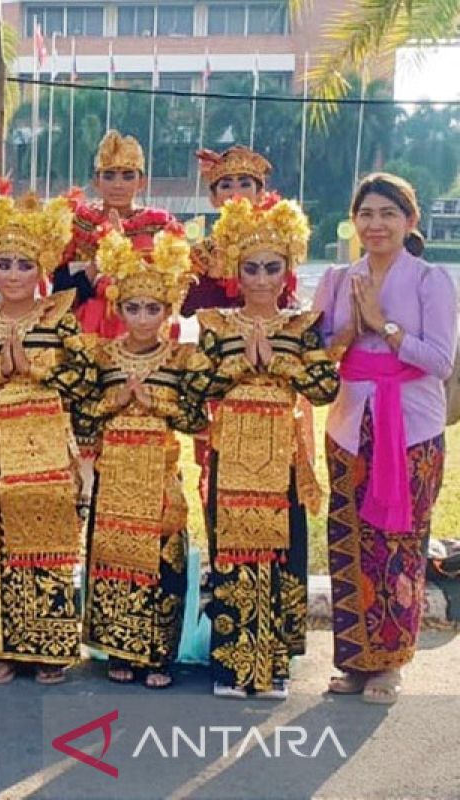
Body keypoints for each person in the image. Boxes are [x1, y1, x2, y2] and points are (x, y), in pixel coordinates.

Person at [183, 197, 339, 699]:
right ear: (236, 270)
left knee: (279, 554)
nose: (262, 278)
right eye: (251, 268)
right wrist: (239, 367)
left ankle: (273, 665)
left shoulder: (301, 326)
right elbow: (195, 387)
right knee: (233, 553)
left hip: (282, 460)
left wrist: (277, 364)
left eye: (273, 267)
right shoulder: (215, 325)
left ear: (288, 269)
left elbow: (324, 386)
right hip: (231, 457)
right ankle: (231, 665)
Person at [315, 173, 457, 705]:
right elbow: (323, 349)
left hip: (411, 431)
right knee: (349, 541)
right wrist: (351, 331)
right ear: (355, 221)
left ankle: (389, 665)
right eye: (367, 214)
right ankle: (353, 660)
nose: (376, 225)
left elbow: (440, 361)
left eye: (388, 214)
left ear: (409, 221)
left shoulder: (430, 281)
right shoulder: (338, 277)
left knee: (397, 545)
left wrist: (386, 326)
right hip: (350, 426)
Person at [0, 186, 91, 685]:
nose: (14, 274)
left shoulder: (60, 314)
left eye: (24, 265)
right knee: (3, 542)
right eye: (6, 263)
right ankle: (4, 646)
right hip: (0, 446)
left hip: (50, 440)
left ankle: (52, 645)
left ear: (41, 270)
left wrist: (32, 369)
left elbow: (83, 379)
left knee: (51, 538)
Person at [78, 228, 205, 689]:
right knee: (115, 557)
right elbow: (85, 416)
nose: (143, 317)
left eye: (153, 308)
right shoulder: (103, 356)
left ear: (168, 312)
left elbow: (195, 418)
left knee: (162, 558)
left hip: (160, 472)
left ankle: (157, 655)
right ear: (118, 309)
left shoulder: (180, 358)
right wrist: (114, 403)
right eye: (133, 307)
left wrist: (156, 405)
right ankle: (118, 648)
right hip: (115, 474)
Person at [53, 130, 176, 338]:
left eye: (128, 176)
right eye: (109, 175)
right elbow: (60, 291)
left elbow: (172, 288)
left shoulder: (160, 226)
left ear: (141, 182)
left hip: (142, 327)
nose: (118, 184)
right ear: (96, 181)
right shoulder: (78, 223)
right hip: (86, 327)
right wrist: (98, 264)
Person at [182, 146, 274, 317]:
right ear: (213, 198)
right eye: (226, 186)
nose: (235, 193)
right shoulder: (202, 254)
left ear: (260, 193)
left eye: (245, 184)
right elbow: (186, 308)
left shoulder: (276, 243)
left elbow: (285, 301)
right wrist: (212, 277)